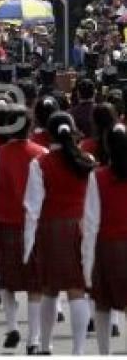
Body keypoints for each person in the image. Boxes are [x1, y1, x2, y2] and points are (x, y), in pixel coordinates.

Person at [24, 111, 95, 355]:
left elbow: (33, 206)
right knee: (77, 290)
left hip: (51, 228)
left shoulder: (40, 163)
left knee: (50, 289)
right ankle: (78, 350)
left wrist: (28, 241)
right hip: (80, 226)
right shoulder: (87, 159)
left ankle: (46, 345)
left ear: (49, 133)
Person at [0, 102, 47, 354]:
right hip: (34, 225)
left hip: (5, 223)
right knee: (35, 286)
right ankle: (34, 338)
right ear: (30, 126)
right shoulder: (42, 152)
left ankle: (11, 328)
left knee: (8, 283)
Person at [82, 125, 127, 355]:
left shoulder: (97, 177)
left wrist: (86, 261)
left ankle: (104, 353)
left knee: (102, 304)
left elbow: (90, 222)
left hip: (107, 246)